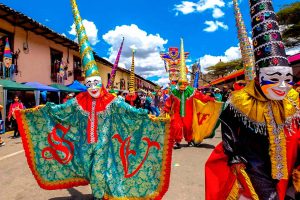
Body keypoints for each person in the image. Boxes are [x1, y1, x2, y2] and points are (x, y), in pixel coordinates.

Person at [15, 1, 172, 199]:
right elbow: (57, 111)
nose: (93, 88)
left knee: (99, 169)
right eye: (89, 84)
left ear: (101, 83)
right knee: (92, 171)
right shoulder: (79, 101)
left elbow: (131, 112)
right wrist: (34, 111)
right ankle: (102, 191)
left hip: (105, 144)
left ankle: (99, 196)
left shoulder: (112, 100)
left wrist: (150, 118)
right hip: (83, 145)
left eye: (97, 83)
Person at [205, 0, 300, 199]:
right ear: (259, 77)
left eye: (287, 79)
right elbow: (228, 128)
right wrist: (233, 154)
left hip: (288, 160)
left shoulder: (292, 99)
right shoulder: (241, 100)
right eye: (274, 79)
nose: (282, 85)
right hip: (254, 161)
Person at [164, 38, 215, 149]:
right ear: (178, 83)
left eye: (184, 84)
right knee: (176, 126)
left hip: (188, 113)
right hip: (176, 113)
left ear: (187, 84)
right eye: (181, 84)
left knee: (188, 127)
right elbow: (169, 102)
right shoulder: (174, 92)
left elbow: (201, 97)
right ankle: (177, 141)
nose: (182, 86)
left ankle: (189, 140)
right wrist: (166, 110)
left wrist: (211, 99)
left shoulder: (192, 91)